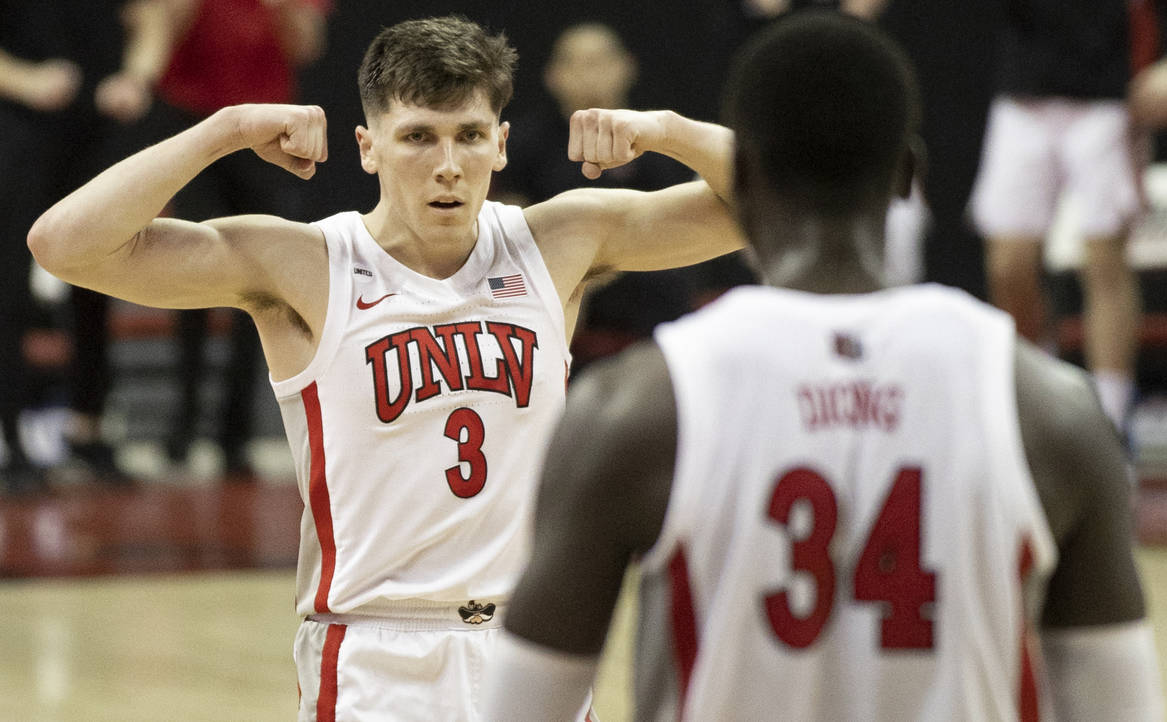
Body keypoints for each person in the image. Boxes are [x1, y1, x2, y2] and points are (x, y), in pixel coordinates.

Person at [28, 14, 742, 720]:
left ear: (501, 144)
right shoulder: (307, 265)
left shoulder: (558, 242)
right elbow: (64, 244)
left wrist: (667, 131)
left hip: (527, 645)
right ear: (368, 148)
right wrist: (226, 130)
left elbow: (778, 197)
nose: (447, 164)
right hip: (373, 655)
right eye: (418, 137)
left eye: (468, 135)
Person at [485, 12, 1161, 721]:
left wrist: (673, 130)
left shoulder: (637, 409)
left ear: (741, 174)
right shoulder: (1048, 406)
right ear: (909, 176)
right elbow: (1120, 706)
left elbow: (526, 706)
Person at [971, 0, 1167, 432]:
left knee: (1103, 258)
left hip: (1110, 96)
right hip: (1025, 90)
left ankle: (1110, 423)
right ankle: (1037, 408)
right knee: (1008, 264)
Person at [140, 0, 330, 477]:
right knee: (189, 273)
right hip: (195, 123)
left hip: (265, 129)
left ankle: (236, 433)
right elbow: (155, 44)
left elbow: (306, 46)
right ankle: (183, 426)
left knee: (260, 285)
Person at [1, 0, 170, 492]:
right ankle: (10, 440)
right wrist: (27, 80)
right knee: (10, 285)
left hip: (95, 126)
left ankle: (88, 429)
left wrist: (137, 78)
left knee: (98, 276)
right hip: (20, 126)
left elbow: (151, 18)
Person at [493, 21, 705, 376]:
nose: (590, 74)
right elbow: (512, 239)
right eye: (577, 63)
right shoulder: (524, 146)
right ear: (553, 75)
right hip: (576, 327)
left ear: (627, 66)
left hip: (660, 326)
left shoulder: (666, 143)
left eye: (600, 61)